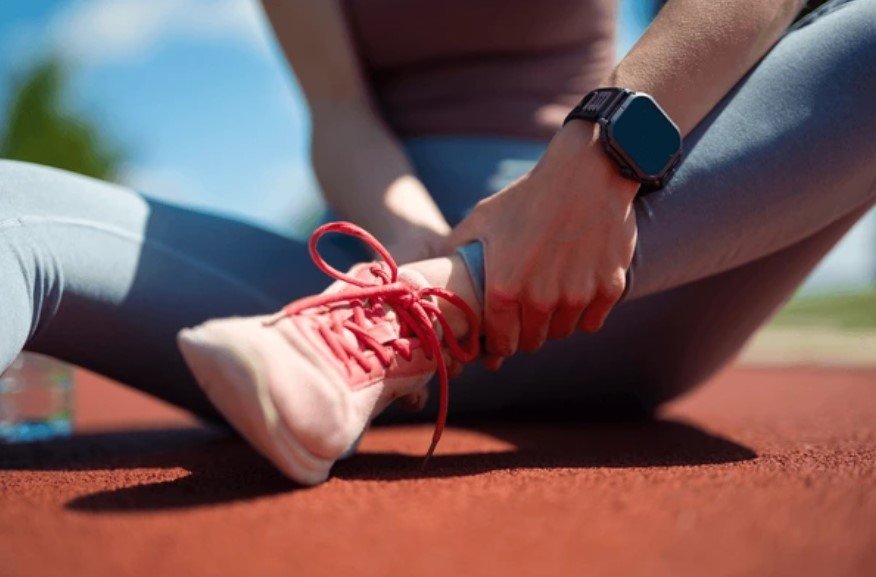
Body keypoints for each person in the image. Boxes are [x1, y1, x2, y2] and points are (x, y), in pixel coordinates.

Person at [1, 0, 873, 484]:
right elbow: (340, 114)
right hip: (354, 318)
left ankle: (444, 306)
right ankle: (416, 317)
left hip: (629, 275)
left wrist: (598, 162)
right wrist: (412, 259)